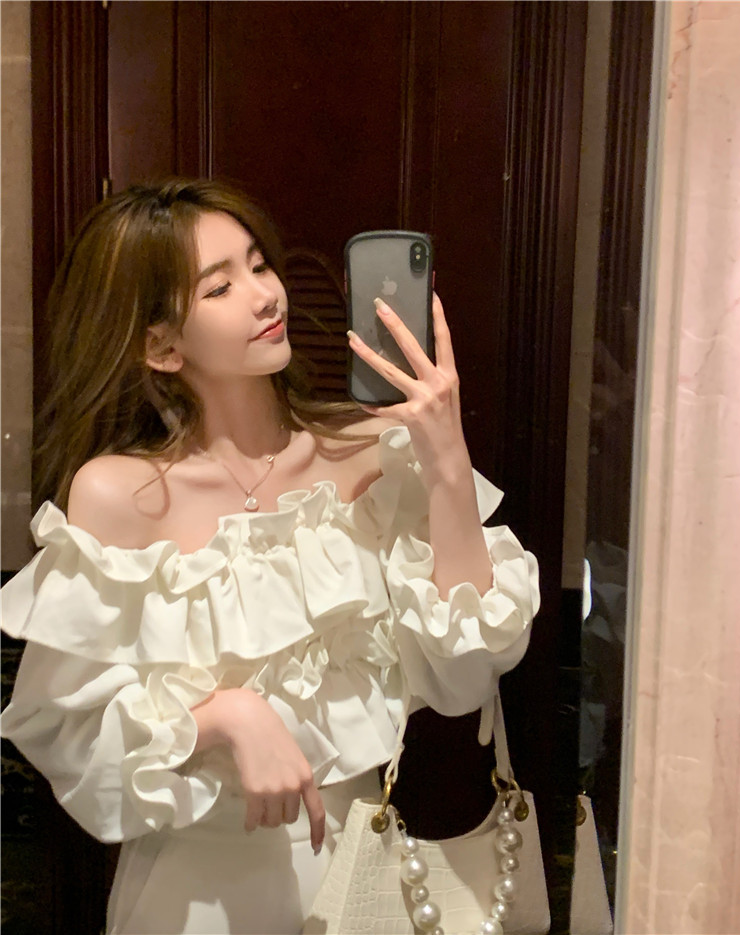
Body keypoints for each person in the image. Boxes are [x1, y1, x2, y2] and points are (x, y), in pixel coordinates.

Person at [0, 178, 540, 935]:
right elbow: (74, 736)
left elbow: (464, 679)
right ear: (161, 345)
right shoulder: (119, 492)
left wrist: (446, 456)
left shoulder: (369, 454)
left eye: (260, 265)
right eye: (220, 286)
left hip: (359, 889)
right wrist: (224, 715)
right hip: (190, 902)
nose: (265, 295)